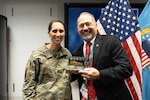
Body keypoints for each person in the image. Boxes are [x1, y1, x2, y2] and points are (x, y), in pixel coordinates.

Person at [72, 12, 133, 100]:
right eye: (81, 25)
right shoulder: (76, 53)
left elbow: (126, 69)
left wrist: (100, 74)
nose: (85, 28)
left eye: (88, 24)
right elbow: (76, 78)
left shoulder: (111, 41)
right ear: (78, 29)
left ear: (96, 25)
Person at [22, 20, 72, 100]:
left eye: (61, 31)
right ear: (49, 33)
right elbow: (28, 85)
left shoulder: (67, 54)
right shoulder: (37, 55)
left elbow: (69, 78)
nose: (58, 34)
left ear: (64, 33)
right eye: (54, 31)